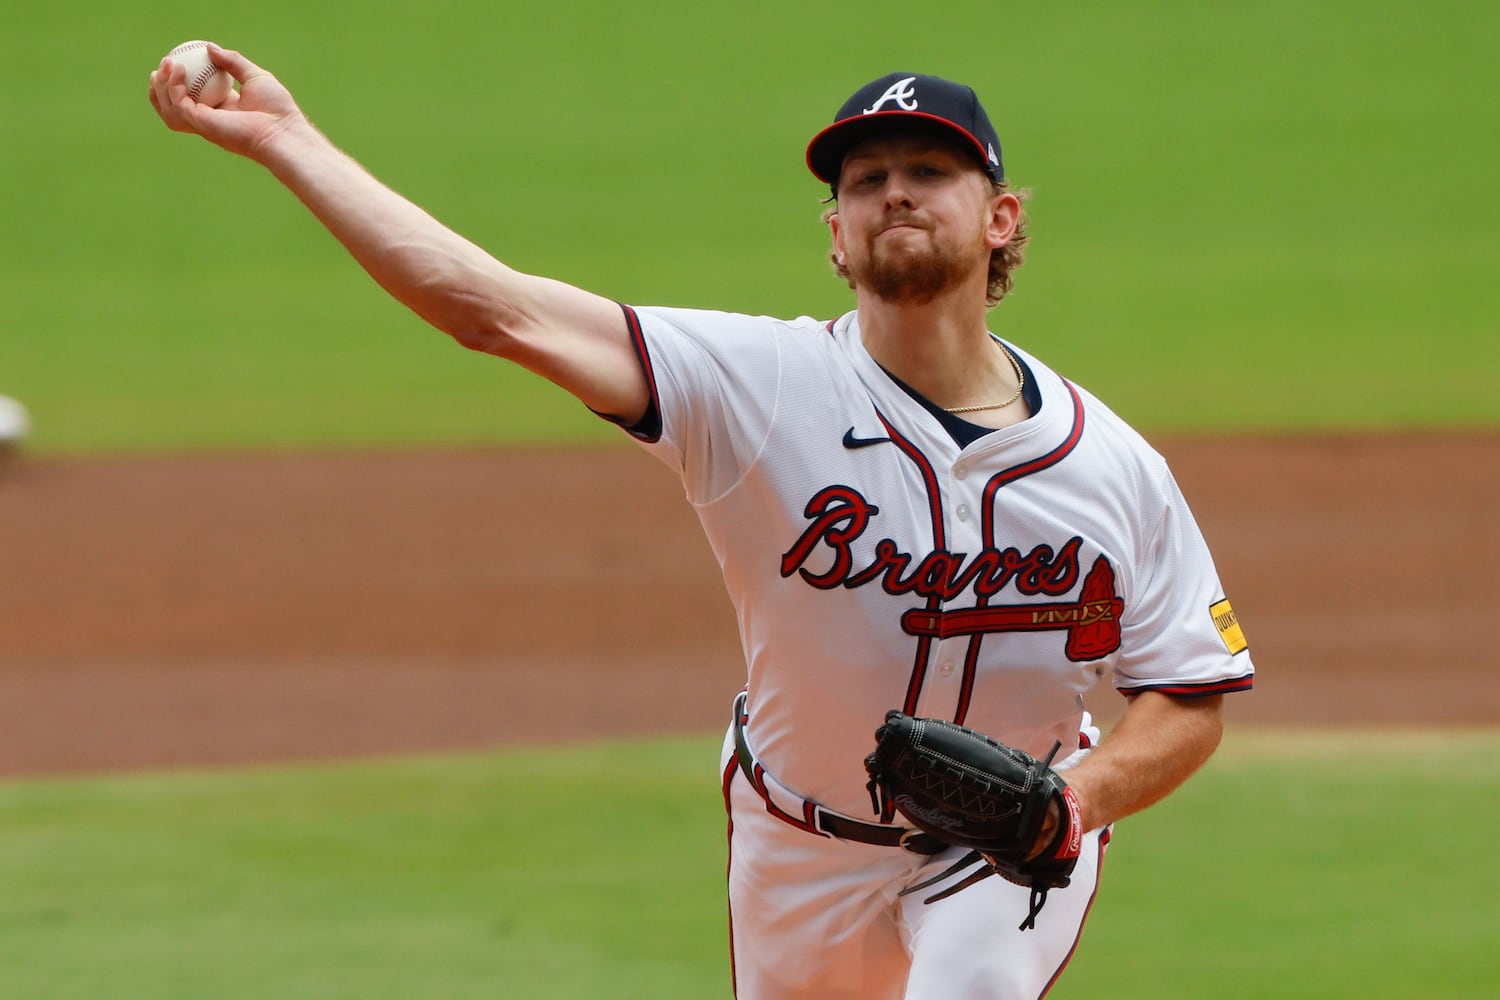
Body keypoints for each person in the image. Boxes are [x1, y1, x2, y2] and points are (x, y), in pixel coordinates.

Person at [149, 53, 1254, 999]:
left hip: (1002, 849)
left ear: (1000, 216)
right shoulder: (756, 385)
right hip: (795, 847)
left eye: (930, 171)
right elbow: (491, 307)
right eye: (866, 181)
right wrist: (289, 142)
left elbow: (1191, 692)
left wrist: (1072, 804)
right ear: (835, 235)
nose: (895, 194)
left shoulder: (1112, 465)